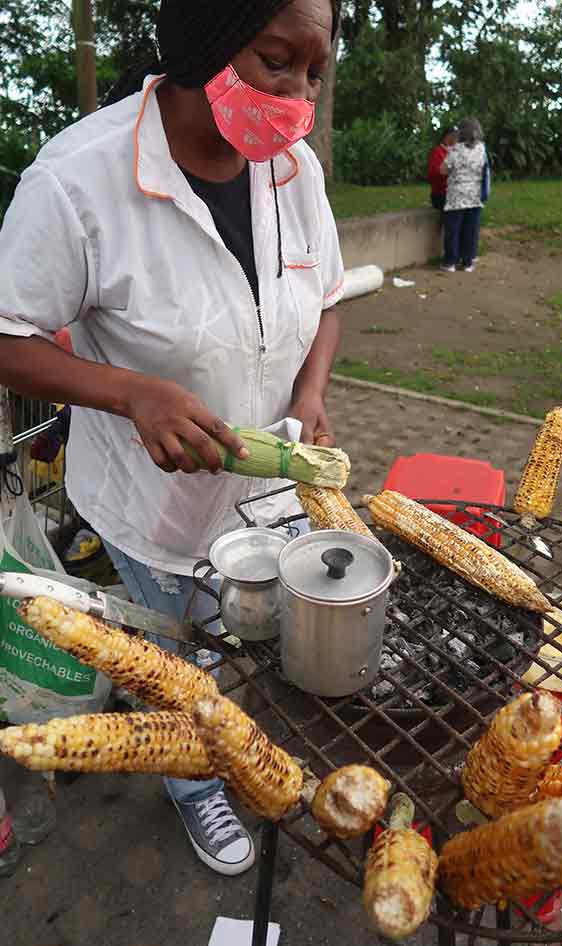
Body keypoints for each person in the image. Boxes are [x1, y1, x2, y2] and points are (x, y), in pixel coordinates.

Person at [0, 0, 343, 876]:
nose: (300, 94)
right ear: (208, 40)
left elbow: (327, 299)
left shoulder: (292, 168)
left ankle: (251, 755)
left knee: (254, 640)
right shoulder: (78, 178)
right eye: (279, 61)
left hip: (269, 489)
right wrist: (130, 393)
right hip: (156, 504)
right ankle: (194, 789)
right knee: (180, 664)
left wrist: (310, 390)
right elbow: (9, 339)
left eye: (316, 70)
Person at [440, 118, 489, 273]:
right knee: (471, 230)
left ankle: (450, 262)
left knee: (453, 230)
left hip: (456, 197)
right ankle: (468, 262)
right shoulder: (482, 148)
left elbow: (443, 169)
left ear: (461, 132)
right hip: (474, 196)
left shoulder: (455, 149)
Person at [427, 126, 456, 212]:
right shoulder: (437, 152)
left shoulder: (456, 151)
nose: (458, 139)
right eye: (455, 136)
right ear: (447, 136)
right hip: (441, 194)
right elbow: (433, 175)